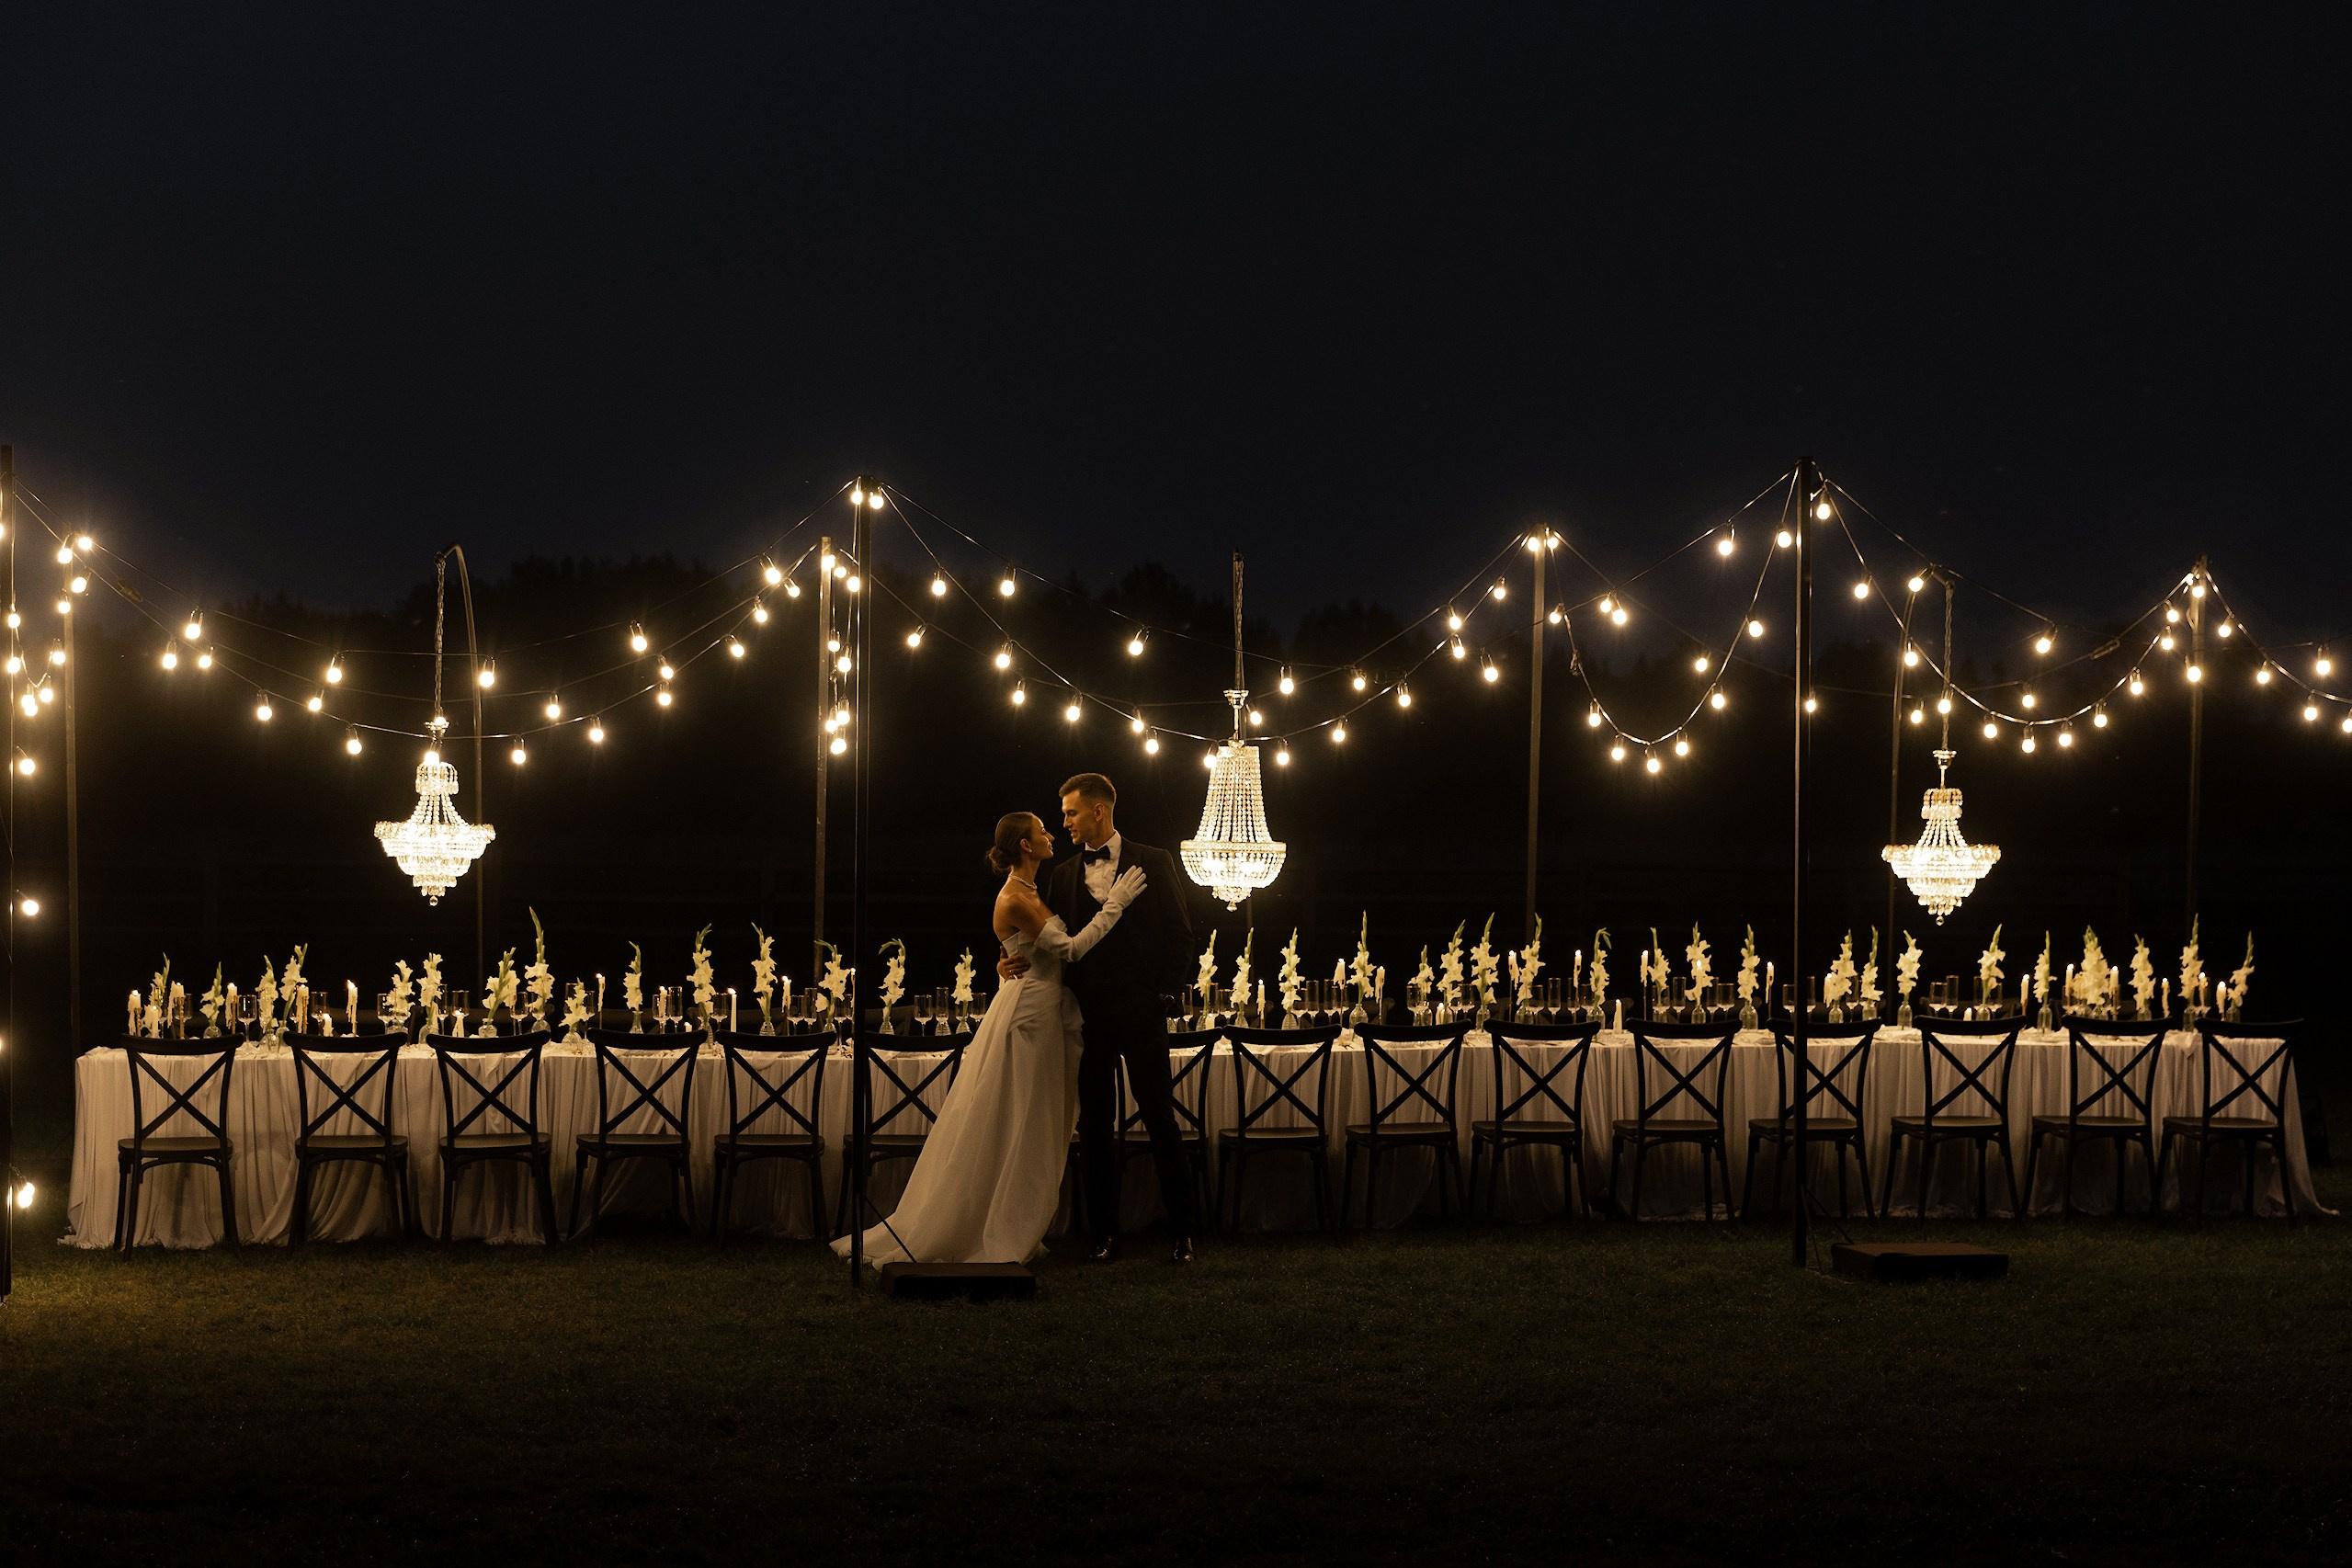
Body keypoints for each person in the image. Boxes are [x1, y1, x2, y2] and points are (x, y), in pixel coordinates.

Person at [833, 810, 1145, 1267]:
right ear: (1024, 844)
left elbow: (1029, 947)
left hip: (1046, 1008)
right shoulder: (1013, 899)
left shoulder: (1036, 889)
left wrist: (1006, 957)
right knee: (1018, 1121)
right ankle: (989, 1226)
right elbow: (1072, 949)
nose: (1050, 834)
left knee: (1035, 1121)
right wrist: (1115, 903)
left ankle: (1014, 1218)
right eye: (1041, 830)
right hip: (1028, 1017)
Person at [1002, 771, 1197, 1265]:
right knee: (1095, 1125)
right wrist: (1005, 958)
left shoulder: (1154, 861)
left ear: (1098, 812)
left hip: (1142, 1009)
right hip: (1086, 1016)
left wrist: (1164, 996)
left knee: (1160, 1118)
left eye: (1069, 813)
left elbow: (1181, 935)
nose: (1064, 822)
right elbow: (1047, 942)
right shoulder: (1062, 874)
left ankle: (1183, 1232)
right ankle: (1104, 1234)